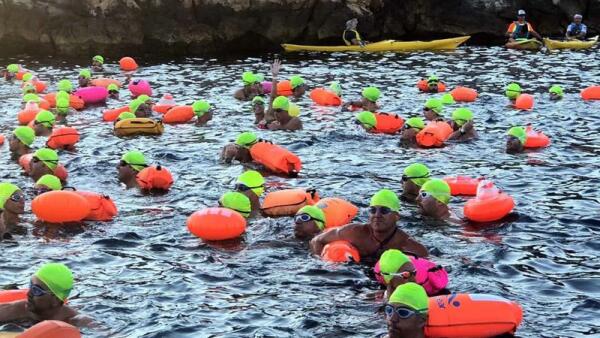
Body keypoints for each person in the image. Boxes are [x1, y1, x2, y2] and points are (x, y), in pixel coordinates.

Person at [310, 189, 428, 264]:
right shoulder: (354, 232)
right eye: (372, 210)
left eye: (384, 210)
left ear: (396, 216)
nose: (377, 215)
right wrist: (322, 264)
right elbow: (317, 241)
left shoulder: (408, 246)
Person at [0, 263, 91, 327]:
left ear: (55, 300)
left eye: (36, 290)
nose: (28, 293)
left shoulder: (76, 320)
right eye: (30, 286)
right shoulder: (19, 309)